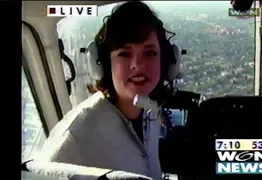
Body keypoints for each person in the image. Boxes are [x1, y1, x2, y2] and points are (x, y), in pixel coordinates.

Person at [33, 1, 176, 180]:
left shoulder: (150, 112)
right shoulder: (75, 137)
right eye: (124, 53)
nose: (138, 65)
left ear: (166, 62)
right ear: (103, 65)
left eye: (150, 53)